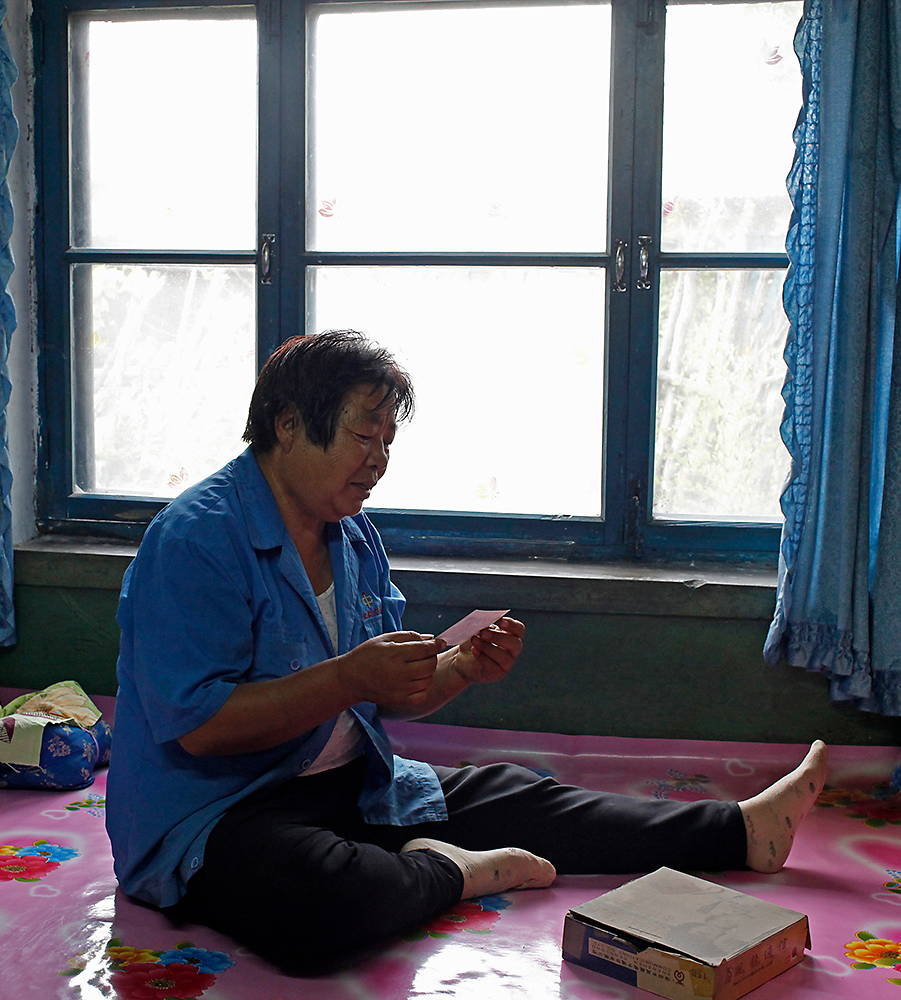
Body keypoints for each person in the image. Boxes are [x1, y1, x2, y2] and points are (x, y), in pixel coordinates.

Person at [107, 329, 827, 972]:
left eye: (388, 442)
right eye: (363, 436)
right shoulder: (197, 539)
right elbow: (200, 727)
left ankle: (740, 832)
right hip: (222, 815)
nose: (378, 462)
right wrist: (348, 678)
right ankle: (451, 873)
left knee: (520, 796)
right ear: (288, 424)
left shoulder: (351, 535)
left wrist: (460, 668)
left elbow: (390, 693)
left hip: (353, 787)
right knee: (320, 900)